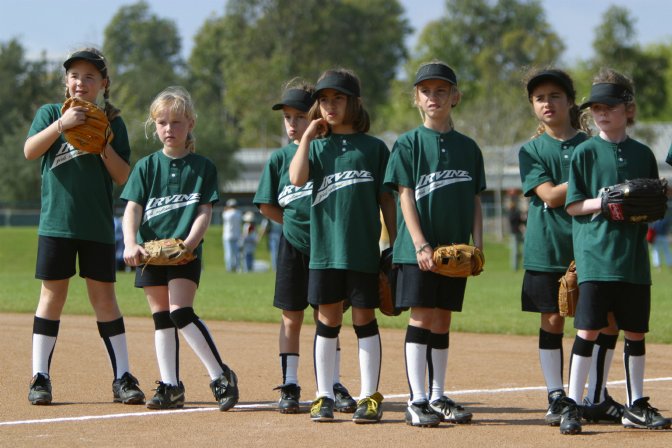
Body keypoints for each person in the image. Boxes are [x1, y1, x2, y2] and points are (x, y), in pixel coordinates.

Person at [24, 48, 144, 406]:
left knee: (105, 298)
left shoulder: (113, 122)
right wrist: (62, 125)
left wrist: (103, 143)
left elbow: (124, 177)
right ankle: (40, 377)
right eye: (75, 75)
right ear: (66, 81)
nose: (81, 82)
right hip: (56, 224)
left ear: (104, 84)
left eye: (90, 77)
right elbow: (30, 151)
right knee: (52, 296)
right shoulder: (50, 113)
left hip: (95, 226)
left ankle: (123, 377)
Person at [560, 69, 672, 434]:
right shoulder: (584, 153)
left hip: (633, 260)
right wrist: (603, 201)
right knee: (588, 330)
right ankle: (573, 405)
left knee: (636, 332)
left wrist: (659, 198)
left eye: (609, 106)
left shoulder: (642, 154)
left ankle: (636, 403)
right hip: (596, 256)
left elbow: (652, 208)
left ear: (628, 108)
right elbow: (574, 206)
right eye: (595, 107)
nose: (601, 113)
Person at [121, 86, 239, 411]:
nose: (169, 129)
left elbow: (204, 212)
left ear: (190, 124)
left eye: (176, 122)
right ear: (154, 126)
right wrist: (130, 243)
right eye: (162, 122)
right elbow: (132, 209)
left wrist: (189, 244)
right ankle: (170, 386)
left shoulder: (202, 167)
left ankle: (220, 375)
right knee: (161, 318)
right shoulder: (146, 167)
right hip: (150, 254)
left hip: (184, 253)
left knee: (181, 313)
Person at [289, 68, 396, 424]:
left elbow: (387, 201)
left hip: (362, 251)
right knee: (326, 320)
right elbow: (296, 178)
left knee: (365, 319)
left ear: (355, 102)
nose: (331, 105)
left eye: (338, 98)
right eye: (324, 99)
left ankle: (369, 396)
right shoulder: (317, 147)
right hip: (324, 252)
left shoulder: (374, 148)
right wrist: (306, 137)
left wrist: (394, 245)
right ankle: (323, 396)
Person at [518, 68, 622, 428]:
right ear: (533, 105)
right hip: (546, 247)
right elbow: (548, 195)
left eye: (555, 96)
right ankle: (556, 394)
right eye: (539, 97)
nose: (547, 103)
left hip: (591, 247)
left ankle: (597, 394)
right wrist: (589, 180)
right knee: (552, 319)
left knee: (605, 322)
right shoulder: (531, 150)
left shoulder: (593, 144)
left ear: (570, 101)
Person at [384, 61, 483, 428]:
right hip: (417, 251)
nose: (433, 97)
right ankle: (417, 399)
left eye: (441, 90)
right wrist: (421, 244)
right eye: (426, 91)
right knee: (422, 316)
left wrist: (479, 245)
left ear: (455, 97)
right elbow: (405, 196)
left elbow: (474, 199)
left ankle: (438, 395)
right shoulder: (408, 143)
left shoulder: (468, 148)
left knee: (442, 320)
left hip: (455, 250)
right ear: (416, 99)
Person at [253, 80, 357, 414]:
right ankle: (290, 383)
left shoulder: (326, 151)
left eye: (300, 116)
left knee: (328, 318)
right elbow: (266, 205)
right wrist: (293, 224)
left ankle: (333, 382)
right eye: (287, 117)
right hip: (293, 246)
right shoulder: (280, 158)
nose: (293, 124)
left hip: (328, 246)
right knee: (291, 318)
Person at [222, 198, 242, 272]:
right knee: (237, 253)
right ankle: (237, 267)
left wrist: (226, 209)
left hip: (227, 235)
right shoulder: (239, 213)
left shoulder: (226, 213)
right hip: (237, 235)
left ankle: (229, 268)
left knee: (228, 253)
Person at [507, 193, 526, 271]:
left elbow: (522, 221)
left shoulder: (517, 211)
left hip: (519, 233)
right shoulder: (512, 212)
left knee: (523, 250)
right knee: (515, 251)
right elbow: (513, 219)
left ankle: (523, 265)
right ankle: (515, 267)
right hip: (514, 233)